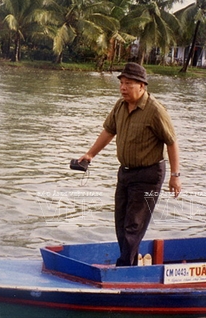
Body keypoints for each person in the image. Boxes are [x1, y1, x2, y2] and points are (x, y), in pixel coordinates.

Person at [77, 62, 181, 266]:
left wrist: (175, 176)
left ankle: (124, 267)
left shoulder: (155, 110)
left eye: (129, 84)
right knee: (121, 222)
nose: (123, 88)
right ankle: (131, 263)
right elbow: (109, 131)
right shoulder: (120, 106)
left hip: (148, 175)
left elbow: (171, 142)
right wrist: (90, 154)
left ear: (142, 86)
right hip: (125, 172)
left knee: (134, 224)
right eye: (122, 83)